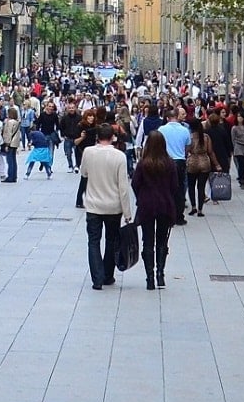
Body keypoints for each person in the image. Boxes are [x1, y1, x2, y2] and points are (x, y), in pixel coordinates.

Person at [81, 124, 135, 290]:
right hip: (113, 206)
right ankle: (107, 274)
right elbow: (123, 187)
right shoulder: (119, 156)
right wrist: (127, 212)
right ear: (113, 137)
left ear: (97, 136)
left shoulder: (88, 152)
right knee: (111, 240)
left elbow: (84, 173)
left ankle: (97, 278)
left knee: (93, 241)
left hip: (93, 204)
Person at [132, 131, 178, 290]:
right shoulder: (170, 164)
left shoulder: (143, 164)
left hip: (147, 204)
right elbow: (175, 186)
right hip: (165, 204)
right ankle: (160, 273)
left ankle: (149, 277)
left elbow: (135, 183)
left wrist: (141, 196)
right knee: (162, 239)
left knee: (148, 240)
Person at [185, 126, 217, 216]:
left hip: (192, 162)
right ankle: (200, 209)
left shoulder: (190, 137)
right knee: (201, 187)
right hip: (204, 162)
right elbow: (210, 151)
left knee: (191, 186)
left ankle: (193, 207)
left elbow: (186, 150)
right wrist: (217, 164)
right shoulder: (206, 137)